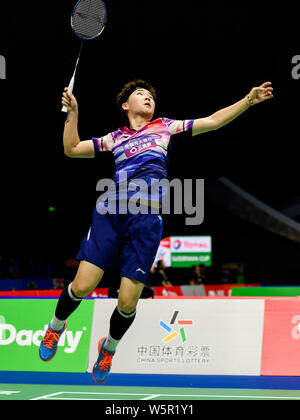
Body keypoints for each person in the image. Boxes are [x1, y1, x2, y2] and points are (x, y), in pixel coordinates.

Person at [39, 78, 273, 384]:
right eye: (140, 94)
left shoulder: (165, 126)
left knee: (127, 302)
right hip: (111, 212)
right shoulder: (115, 137)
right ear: (125, 106)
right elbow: (71, 148)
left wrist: (248, 100)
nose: (148, 98)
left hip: (146, 220)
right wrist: (74, 112)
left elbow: (213, 121)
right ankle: (56, 326)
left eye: (150, 95)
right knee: (81, 286)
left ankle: (108, 347)